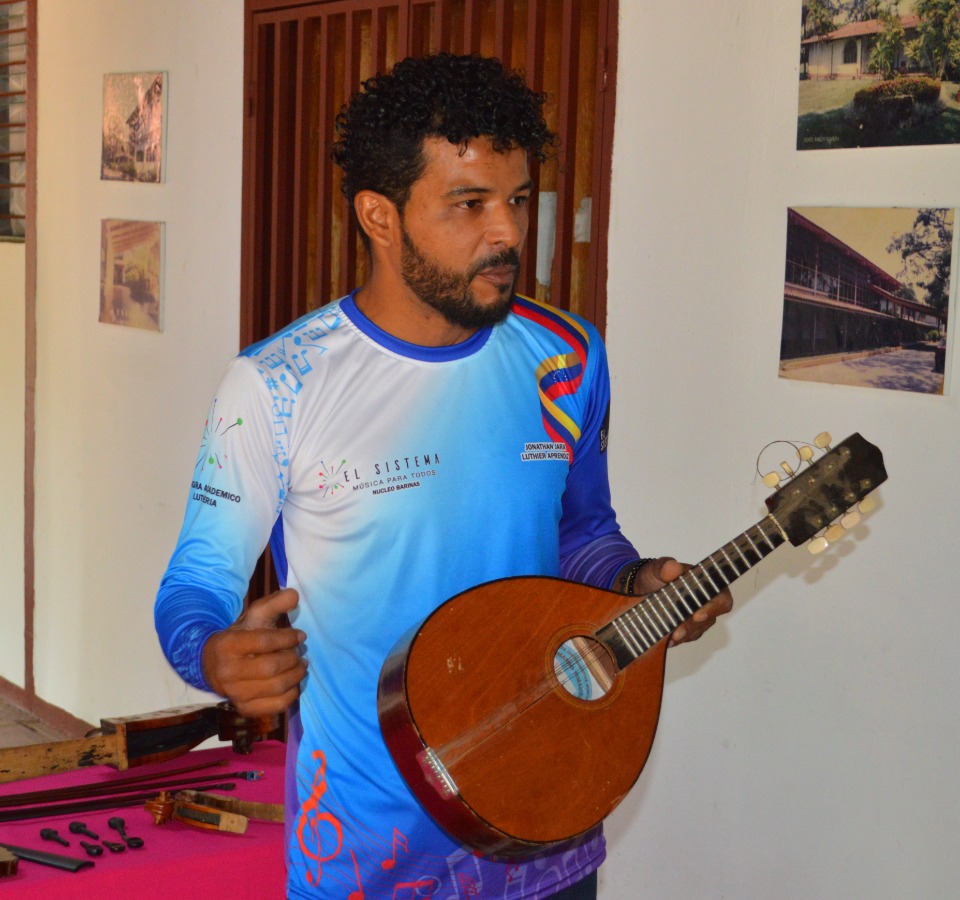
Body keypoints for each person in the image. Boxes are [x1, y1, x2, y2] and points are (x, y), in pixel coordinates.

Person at [155, 53, 731, 900]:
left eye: (518, 199)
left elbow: (582, 532)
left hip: (547, 827)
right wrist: (214, 655)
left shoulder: (568, 356)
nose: (507, 233)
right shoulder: (275, 385)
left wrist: (634, 582)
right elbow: (195, 580)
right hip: (368, 852)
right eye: (469, 204)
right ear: (378, 216)